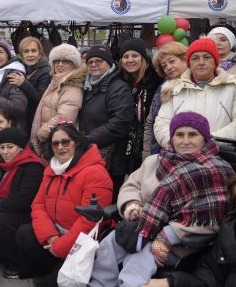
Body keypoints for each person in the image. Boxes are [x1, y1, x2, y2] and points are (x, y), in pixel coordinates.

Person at [47, 112, 234, 287]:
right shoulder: (156, 161)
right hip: (146, 224)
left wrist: (167, 234)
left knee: (143, 255)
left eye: (193, 135)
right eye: (179, 134)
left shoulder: (215, 169)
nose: (185, 140)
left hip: (184, 237)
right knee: (112, 241)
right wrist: (132, 206)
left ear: (205, 138)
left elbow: (212, 219)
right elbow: (131, 186)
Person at [16, 123, 113, 287]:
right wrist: (50, 237)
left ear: (77, 143)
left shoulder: (95, 172)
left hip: (83, 241)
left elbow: (89, 222)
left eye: (65, 142)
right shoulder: (51, 170)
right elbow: (38, 205)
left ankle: (71, 271)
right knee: (25, 233)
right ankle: (53, 267)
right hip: (58, 234)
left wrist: (60, 246)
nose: (60, 147)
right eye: (55, 143)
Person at [154, 38, 236, 149]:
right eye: (195, 58)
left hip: (222, 152)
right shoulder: (174, 89)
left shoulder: (233, 86)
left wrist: (209, 141)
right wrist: (178, 144)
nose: (201, 62)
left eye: (207, 57)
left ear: (215, 62)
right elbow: (162, 123)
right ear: (189, 63)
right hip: (180, 153)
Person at [0, 127, 45, 279]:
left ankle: (17, 264)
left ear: (20, 148)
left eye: (10, 147)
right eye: (2, 147)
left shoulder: (33, 167)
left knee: (0, 219)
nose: (5, 152)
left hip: (28, 214)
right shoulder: (3, 165)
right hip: (10, 209)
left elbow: (23, 200)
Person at [78, 46, 135, 197]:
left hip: (112, 156)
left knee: (106, 197)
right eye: (90, 62)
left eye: (99, 61)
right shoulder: (88, 86)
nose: (94, 64)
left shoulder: (118, 87)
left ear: (109, 63)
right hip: (92, 152)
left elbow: (121, 122)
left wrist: (89, 138)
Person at [30, 43, 85, 155]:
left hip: (59, 142)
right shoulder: (55, 82)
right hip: (51, 140)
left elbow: (64, 118)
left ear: (74, 64)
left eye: (65, 61)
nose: (60, 65)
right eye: (56, 61)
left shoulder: (72, 86)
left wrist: (41, 133)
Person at [118, 38, 162, 174]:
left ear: (143, 58)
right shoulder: (122, 81)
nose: (130, 60)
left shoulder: (156, 79)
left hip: (150, 141)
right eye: (125, 56)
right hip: (128, 142)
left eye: (135, 55)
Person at [142, 41, 188, 157]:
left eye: (172, 61)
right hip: (161, 152)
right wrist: (147, 155)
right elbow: (150, 123)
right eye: (164, 66)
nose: (169, 67)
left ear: (184, 58)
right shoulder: (162, 89)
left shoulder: (196, 84)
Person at [10, 36, 51, 137]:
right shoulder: (22, 68)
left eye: (33, 51)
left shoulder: (45, 71)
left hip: (34, 120)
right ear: (21, 54)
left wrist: (23, 84)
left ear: (40, 53)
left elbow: (40, 99)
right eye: (26, 51)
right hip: (22, 119)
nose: (30, 55)